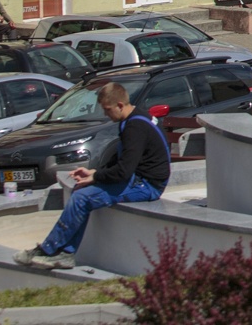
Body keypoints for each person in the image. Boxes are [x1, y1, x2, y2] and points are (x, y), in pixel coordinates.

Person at [14, 83, 168, 269]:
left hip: (147, 185)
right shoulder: (135, 118)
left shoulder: (134, 127)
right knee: (81, 194)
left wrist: (96, 178)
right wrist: (95, 172)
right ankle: (66, 253)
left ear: (120, 105)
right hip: (140, 179)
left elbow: (123, 171)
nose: (106, 115)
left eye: (107, 109)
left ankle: (48, 250)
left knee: (80, 198)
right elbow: (124, 160)